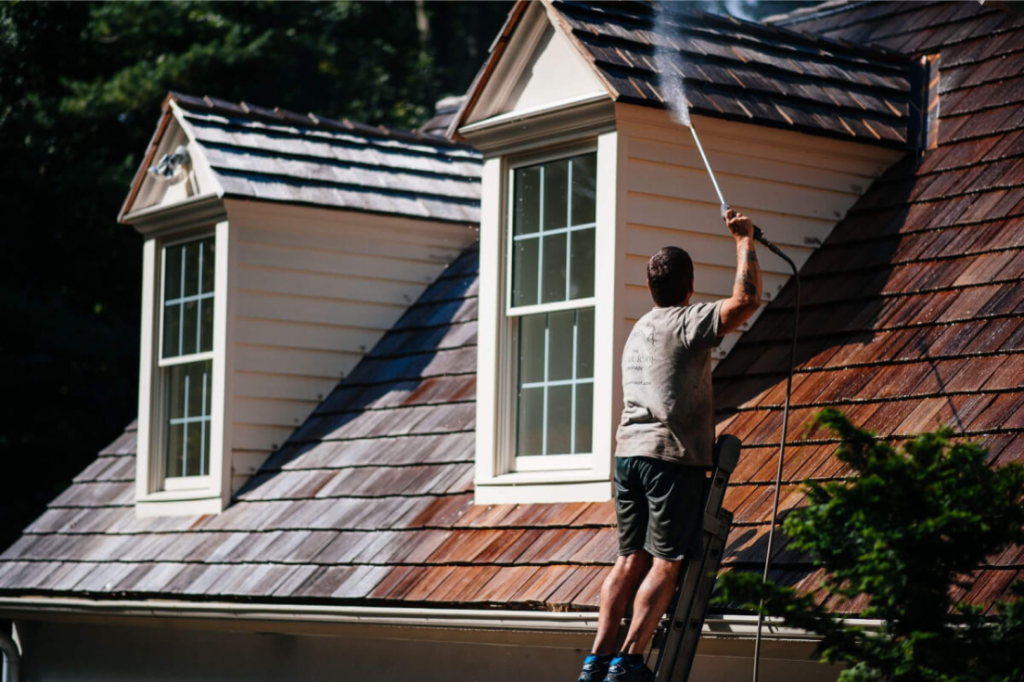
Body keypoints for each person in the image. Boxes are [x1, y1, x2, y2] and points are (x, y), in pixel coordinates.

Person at [578, 209, 762, 682]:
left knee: (628, 559)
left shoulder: (640, 329)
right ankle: (630, 661)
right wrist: (744, 241)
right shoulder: (685, 322)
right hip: (668, 459)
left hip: (627, 457)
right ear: (690, 285)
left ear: (650, 286)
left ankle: (597, 660)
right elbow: (745, 300)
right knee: (667, 561)